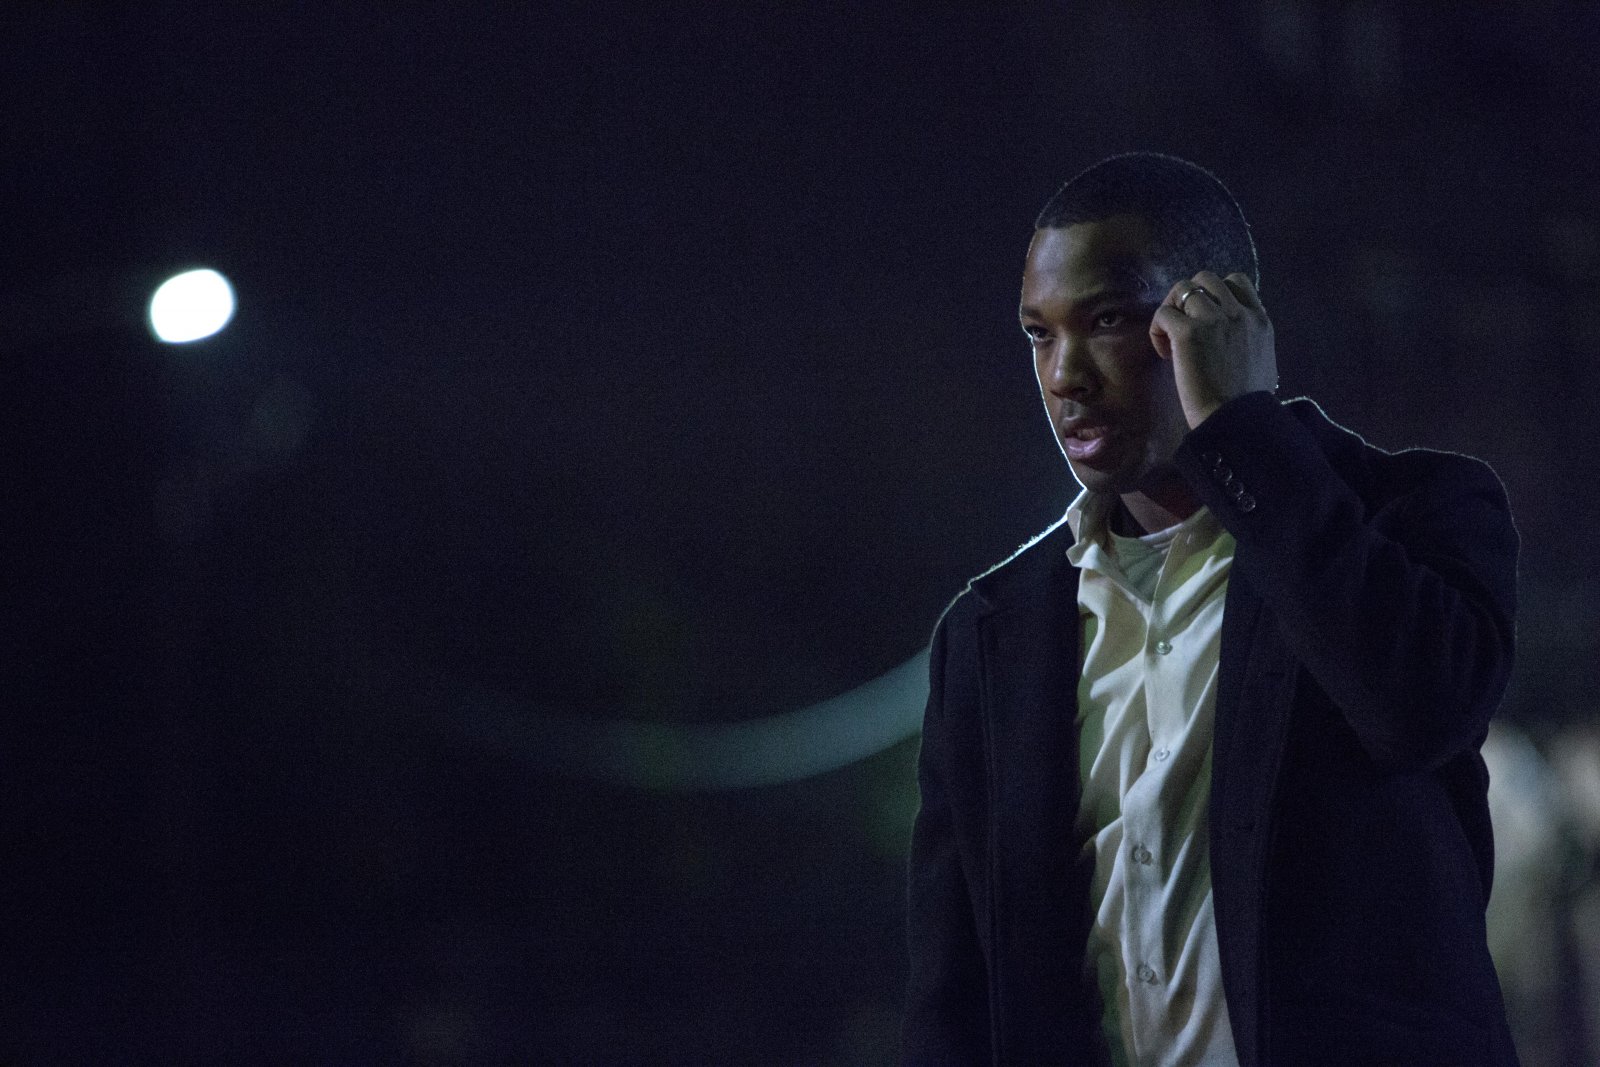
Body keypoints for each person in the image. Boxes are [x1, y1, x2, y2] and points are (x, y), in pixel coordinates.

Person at [901, 153, 1521, 1066]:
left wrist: (1242, 426)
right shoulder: (991, 636)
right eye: (1039, 333)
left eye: (1107, 320)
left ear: (1218, 316)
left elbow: (1417, 708)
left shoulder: (1415, 513)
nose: (1065, 374)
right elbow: (951, 1001)